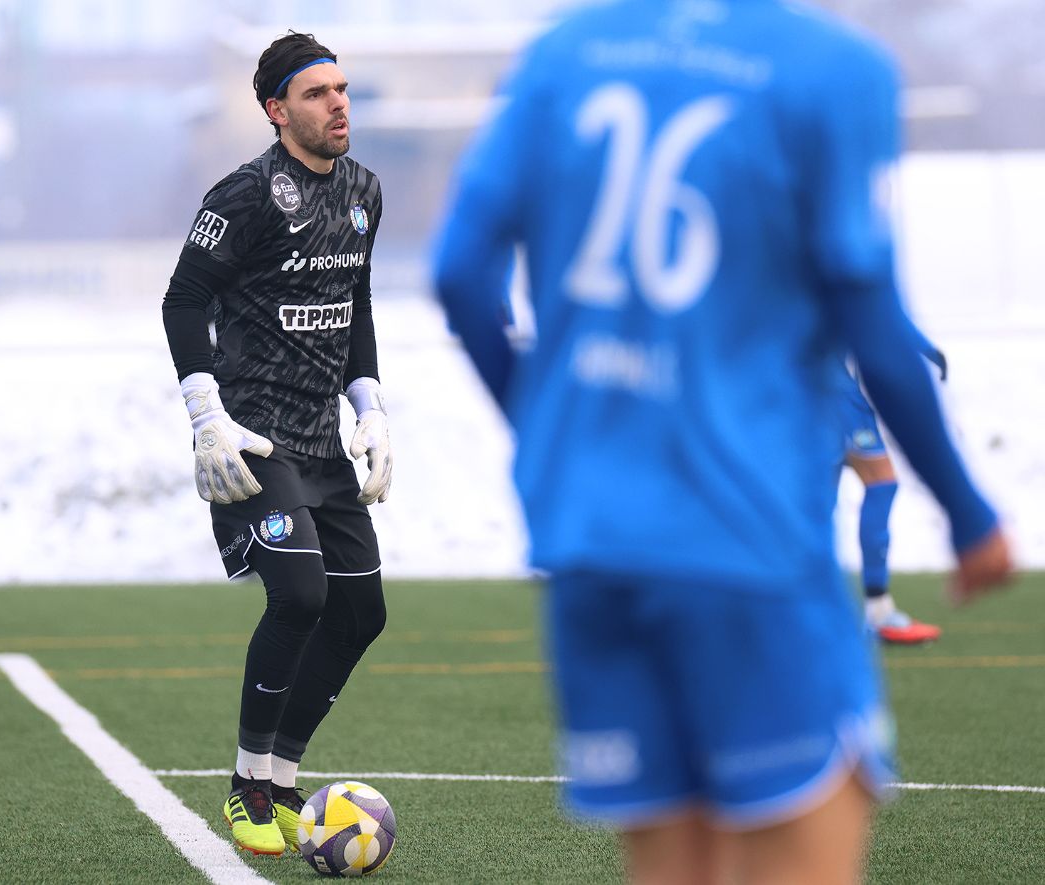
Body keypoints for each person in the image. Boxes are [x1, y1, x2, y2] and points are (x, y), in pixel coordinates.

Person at [433, 2, 1013, 883]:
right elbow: (871, 318)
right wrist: (968, 514)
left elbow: (458, 270)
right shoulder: (832, 65)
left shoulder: (565, 50)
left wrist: (547, 429)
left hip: (594, 544)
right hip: (747, 539)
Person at [162, 31, 391, 857]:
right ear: (276, 110)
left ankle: (282, 781)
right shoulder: (246, 194)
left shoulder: (363, 190)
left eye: (342, 89)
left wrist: (370, 405)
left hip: (323, 444)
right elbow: (183, 300)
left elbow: (355, 303)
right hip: (253, 440)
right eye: (317, 93)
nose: (337, 104)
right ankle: (246, 783)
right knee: (299, 595)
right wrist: (205, 415)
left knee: (361, 611)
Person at [838, 329, 947, 644]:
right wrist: (927, 349)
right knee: (882, 483)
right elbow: (872, 317)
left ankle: (794, 616)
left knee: (817, 505)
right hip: (834, 396)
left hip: (799, 396)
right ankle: (879, 611)